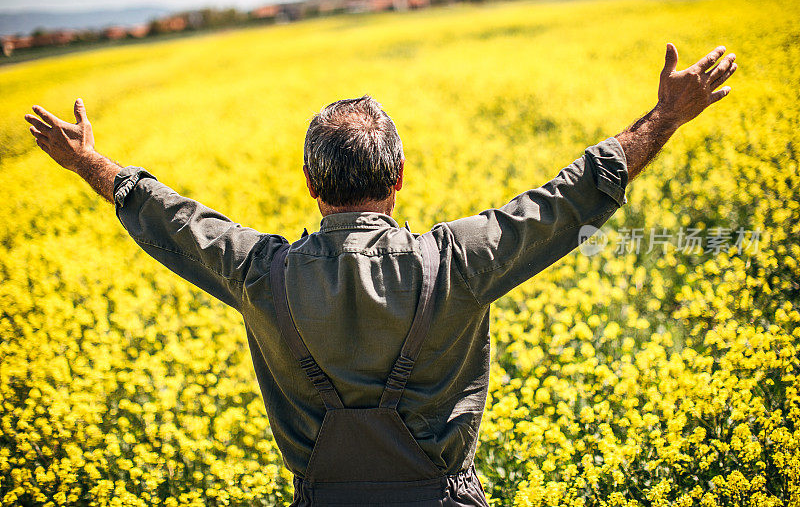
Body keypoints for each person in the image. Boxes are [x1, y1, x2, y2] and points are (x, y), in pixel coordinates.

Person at [25, 43, 736, 506]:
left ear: (309, 181)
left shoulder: (259, 274)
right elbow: (568, 198)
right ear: (399, 176)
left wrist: (91, 162)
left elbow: (177, 222)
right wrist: (664, 117)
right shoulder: (457, 262)